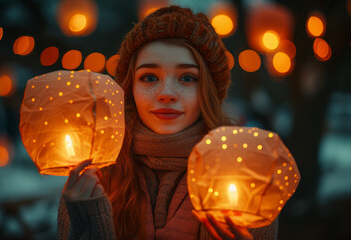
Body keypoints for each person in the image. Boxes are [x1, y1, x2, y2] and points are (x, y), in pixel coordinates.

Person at [57, 6, 278, 240]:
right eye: (150, 77)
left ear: (208, 91)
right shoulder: (94, 182)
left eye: (187, 78)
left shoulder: (246, 181)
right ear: (130, 88)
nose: (166, 93)